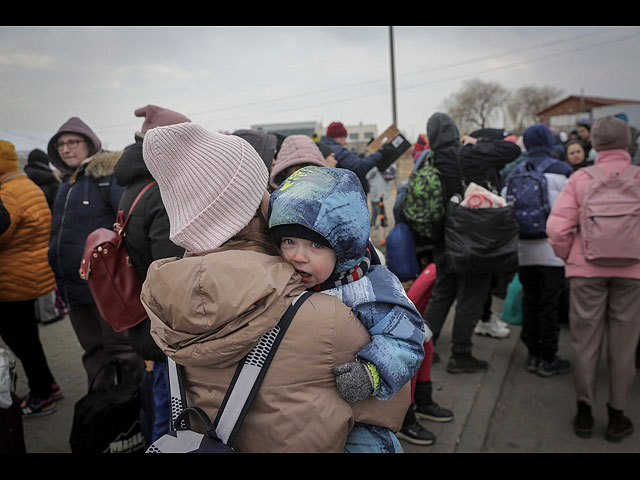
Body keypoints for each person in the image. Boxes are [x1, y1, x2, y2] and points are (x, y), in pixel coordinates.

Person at [139, 122, 410, 453]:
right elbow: (393, 406)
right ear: (254, 208)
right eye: (264, 190)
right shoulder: (325, 315)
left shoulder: (166, 304)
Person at [268, 165, 427, 452]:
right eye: (288, 241)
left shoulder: (369, 288)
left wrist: (372, 373)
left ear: (343, 247)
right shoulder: (283, 282)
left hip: (361, 419)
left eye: (315, 245)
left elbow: (406, 338)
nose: (297, 257)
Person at [547, 115, 640, 443]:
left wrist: (570, 257)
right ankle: (617, 416)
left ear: (595, 144)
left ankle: (584, 413)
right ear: (628, 142)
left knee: (585, 343)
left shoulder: (581, 177)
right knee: (624, 345)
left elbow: (557, 228)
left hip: (586, 270)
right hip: (633, 272)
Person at [417, 113, 521, 374]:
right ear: (455, 132)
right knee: (470, 298)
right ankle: (460, 355)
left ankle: (420, 349)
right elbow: (512, 149)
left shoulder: (428, 160)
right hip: (472, 240)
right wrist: (474, 143)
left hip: (442, 240)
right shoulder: (468, 153)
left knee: (442, 294)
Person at [47, 117, 144, 392]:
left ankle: (134, 408)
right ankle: (102, 404)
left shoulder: (105, 177)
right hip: (72, 284)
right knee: (92, 349)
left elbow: (125, 223)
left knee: (121, 348)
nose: (66, 149)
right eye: (61, 144)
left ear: (89, 143)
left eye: (72, 142)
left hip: (106, 284)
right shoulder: (66, 182)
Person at [113, 105, 188, 444]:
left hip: (143, 313)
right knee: (168, 409)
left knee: (155, 397)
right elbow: (169, 269)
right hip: (164, 321)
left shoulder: (137, 183)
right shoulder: (161, 190)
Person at [503, 124, 574, 376]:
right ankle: (548, 357)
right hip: (552, 251)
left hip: (523, 249)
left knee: (530, 301)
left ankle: (532, 354)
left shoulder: (514, 173)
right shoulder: (562, 170)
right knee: (550, 304)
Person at [0, 140, 62, 417]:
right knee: (28, 339)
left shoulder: (8, 193)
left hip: (12, 276)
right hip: (30, 270)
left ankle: (41, 395)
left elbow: (3, 233)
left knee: (22, 341)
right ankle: (48, 385)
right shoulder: (27, 185)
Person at [23, 148, 63, 325]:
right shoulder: (50, 180)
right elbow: (57, 210)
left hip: (26, 234)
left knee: (32, 273)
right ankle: (49, 313)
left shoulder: (24, 180)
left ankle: (39, 314)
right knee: (47, 273)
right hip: (47, 232)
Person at [319, 121, 397, 194]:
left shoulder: (322, 148)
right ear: (338, 137)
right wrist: (381, 152)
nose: (345, 142)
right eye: (344, 137)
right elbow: (360, 166)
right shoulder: (337, 150)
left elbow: (350, 164)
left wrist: (359, 157)